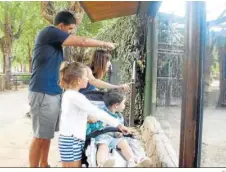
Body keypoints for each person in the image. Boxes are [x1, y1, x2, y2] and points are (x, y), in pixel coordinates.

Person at [28, 10, 118, 168]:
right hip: (43, 92)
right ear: (61, 26)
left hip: (53, 93)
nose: (71, 33)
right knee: (39, 136)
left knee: (47, 134)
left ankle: (44, 164)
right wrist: (104, 44)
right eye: (69, 29)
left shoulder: (55, 44)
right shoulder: (50, 32)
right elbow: (82, 41)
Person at [58, 61, 129, 168]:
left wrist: (88, 118)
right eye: (86, 77)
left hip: (69, 138)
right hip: (71, 140)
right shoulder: (75, 96)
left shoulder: (69, 94)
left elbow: (73, 116)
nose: (88, 79)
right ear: (78, 80)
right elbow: (97, 112)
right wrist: (118, 125)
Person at [87, 89, 151, 167]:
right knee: (103, 147)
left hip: (115, 138)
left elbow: (120, 129)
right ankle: (102, 164)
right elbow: (94, 125)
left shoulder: (119, 116)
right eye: (123, 103)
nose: (125, 106)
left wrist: (119, 134)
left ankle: (132, 161)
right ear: (116, 105)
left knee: (123, 143)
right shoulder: (101, 113)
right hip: (102, 137)